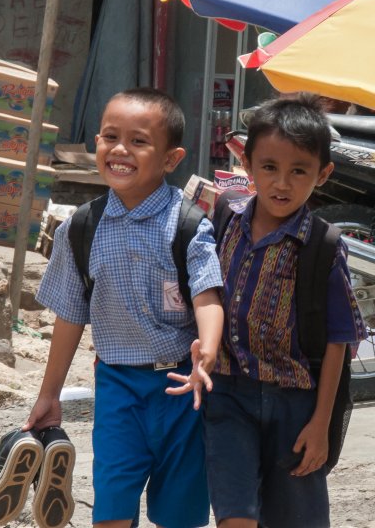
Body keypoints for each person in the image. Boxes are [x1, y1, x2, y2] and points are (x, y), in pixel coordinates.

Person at [22, 87, 224, 528]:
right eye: (109, 136)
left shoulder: (189, 224)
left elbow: (207, 295)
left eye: (138, 141)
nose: (119, 150)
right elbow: (70, 316)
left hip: (182, 390)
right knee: (111, 509)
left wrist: (207, 351)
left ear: (171, 159)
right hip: (116, 390)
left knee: (180, 514)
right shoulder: (80, 228)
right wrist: (49, 394)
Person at [168, 94, 367, 528]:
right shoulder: (224, 220)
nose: (282, 183)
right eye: (270, 167)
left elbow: (339, 341)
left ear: (323, 174)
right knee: (234, 514)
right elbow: (203, 294)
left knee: (294, 517)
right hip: (227, 396)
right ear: (247, 163)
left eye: (299, 171)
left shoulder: (323, 246)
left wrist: (320, 423)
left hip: (294, 402)